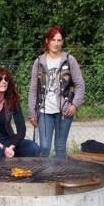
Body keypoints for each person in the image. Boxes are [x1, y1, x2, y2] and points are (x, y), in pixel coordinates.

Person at [27, 25, 85, 158]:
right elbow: (33, 89)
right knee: (44, 147)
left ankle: (60, 172)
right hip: (44, 111)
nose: (56, 43)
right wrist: (32, 112)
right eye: (53, 40)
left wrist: (75, 104)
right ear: (47, 41)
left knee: (60, 147)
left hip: (64, 111)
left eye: (59, 40)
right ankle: (44, 171)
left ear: (63, 42)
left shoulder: (69, 60)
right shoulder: (39, 62)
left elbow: (80, 84)